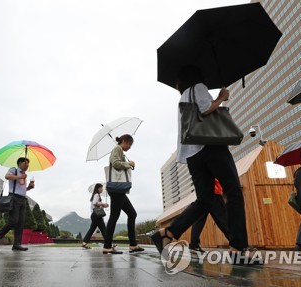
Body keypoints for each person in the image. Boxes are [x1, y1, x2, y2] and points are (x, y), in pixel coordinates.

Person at [151, 65, 254, 264]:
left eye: (177, 81)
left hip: (192, 154)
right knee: (233, 191)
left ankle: (167, 233)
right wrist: (222, 97)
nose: (176, 84)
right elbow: (206, 109)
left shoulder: (183, 97)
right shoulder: (198, 87)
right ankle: (238, 248)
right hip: (211, 147)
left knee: (205, 200)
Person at [103, 134, 144, 254]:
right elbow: (115, 163)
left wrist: (127, 162)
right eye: (130, 144)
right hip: (116, 189)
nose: (130, 147)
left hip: (118, 190)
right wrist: (129, 164)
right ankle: (107, 246)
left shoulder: (120, 151)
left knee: (132, 214)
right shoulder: (117, 149)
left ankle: (132, 244)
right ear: (125, 141)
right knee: (114, 217)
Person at [0, 157, 35, 251]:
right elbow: (7, 176)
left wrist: (29, 187)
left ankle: (17, 244)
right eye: (26, 164)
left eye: (28, 164)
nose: (27, 166)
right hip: (14, 197)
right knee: (13, 221)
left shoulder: (24, 174)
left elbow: (22, 189)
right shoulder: (14, 170)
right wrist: (20, 177)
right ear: (20, 163)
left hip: (22, 199)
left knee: (21, 222)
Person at [189, 179, 229, 252]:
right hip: (214, 193)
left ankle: (193, 244)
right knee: (224, 220)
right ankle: (237, 243)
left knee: (199, 219)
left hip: (203, 193)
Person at [82, 183, 109, 249]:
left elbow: (96, 204)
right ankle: (109, 244)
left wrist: (103, 205)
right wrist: (103, 204)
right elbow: (94, 203)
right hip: (97, 216)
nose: (102, 189)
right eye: (101, 188)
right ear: (98, 188)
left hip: (94, 215)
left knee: (92, 229)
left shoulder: (96, 195)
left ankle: (84, 243)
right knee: (104, 229)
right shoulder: (97, 195)